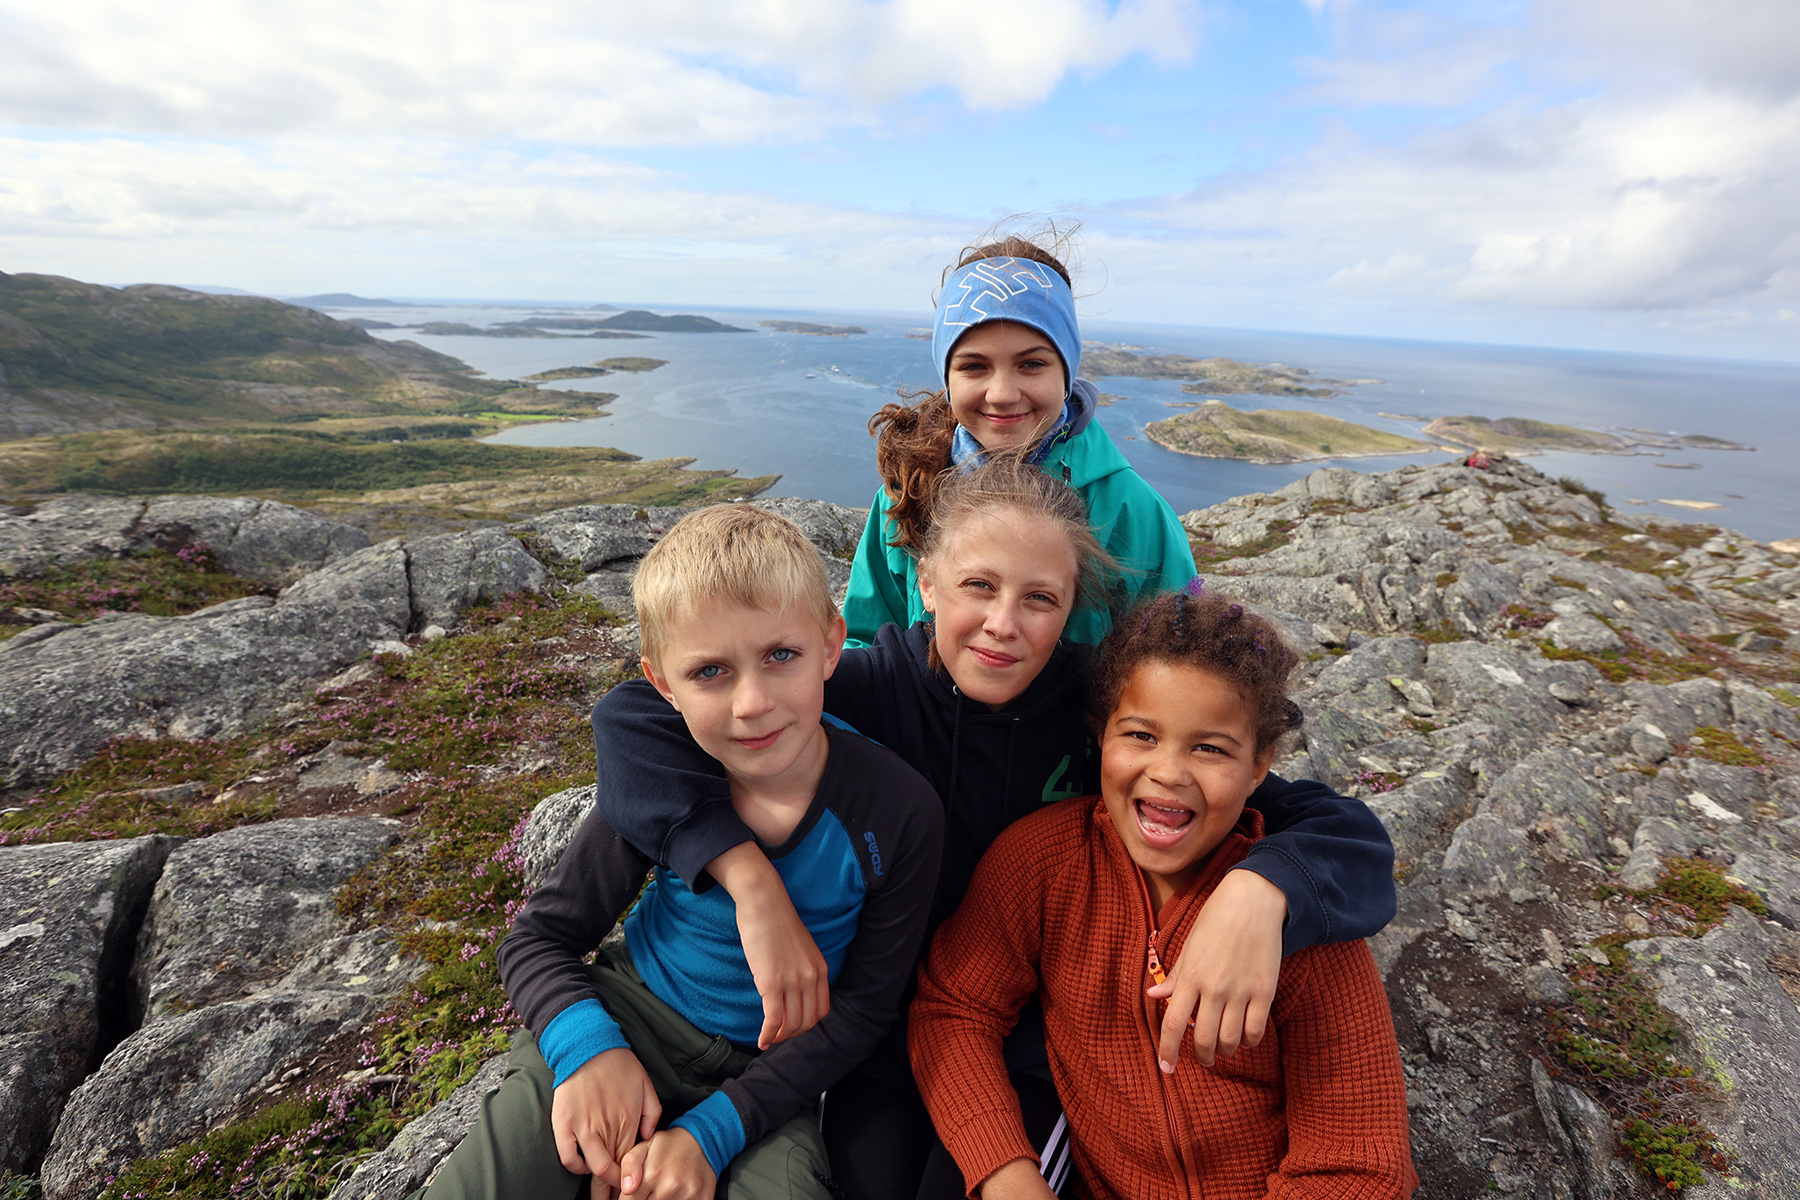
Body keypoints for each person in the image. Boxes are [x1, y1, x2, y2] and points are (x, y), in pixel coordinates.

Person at [588, 459, 1397, 1200]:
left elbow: (1331, 827)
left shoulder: (1108, 716)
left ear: (1070, 607)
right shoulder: (856, 688)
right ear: (927, 582)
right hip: (877, 1033)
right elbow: (635, 719)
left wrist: (1262, 890)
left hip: (1029, 1043)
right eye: (978, 586)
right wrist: (744, 875)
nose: (1003, 623)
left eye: (1039, 598)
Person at [422, 505, 944, 1200]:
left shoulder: (899, 812)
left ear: (831, 646)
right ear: (662, 684)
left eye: (780, 655)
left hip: (767, 1088)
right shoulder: (663, 787)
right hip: (628, 1018)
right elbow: (539, 940)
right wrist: (588, 1051)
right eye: (709, 673)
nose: (752, 703)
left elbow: (863, 1013)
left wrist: (711, 1134)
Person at [911, 590, 1416, 1199]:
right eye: (1141, 735)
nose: (1169, 772)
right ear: (1099, 735)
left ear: (1261, 765)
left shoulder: (1305, 928)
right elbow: (955, 1009)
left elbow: (1360, 1162)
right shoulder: (1042, 863)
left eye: (1209, 748)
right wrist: (1005, 1172)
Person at [843, 229, 1195, 647]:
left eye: (1031, 364)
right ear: (947, 379)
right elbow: (866, 638)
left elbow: (1181, 665)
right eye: (974, 366)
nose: (1003, 394)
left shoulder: (1131, 511)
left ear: (1066, 373)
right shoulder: (908, 491)